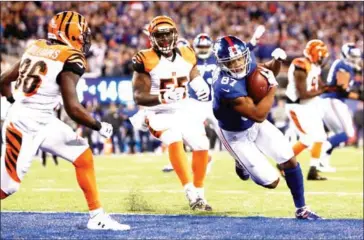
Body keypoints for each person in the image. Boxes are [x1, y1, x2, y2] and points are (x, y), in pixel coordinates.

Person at [0, 11, 130, 231]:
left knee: (82, 155)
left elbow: (3, 80)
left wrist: (15, 100)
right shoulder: (70, 57)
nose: (84, 40)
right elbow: (73, 108)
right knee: (7, 188)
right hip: (25, 125)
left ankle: (97, 216)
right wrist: (99, 126)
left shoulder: (37, 47)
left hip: (40, 119)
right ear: (68, 34)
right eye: (81, 35)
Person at [212, 35, 321, 220]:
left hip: (254, 125)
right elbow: (259, 114)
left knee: (289, 158)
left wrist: (276, 61)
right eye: (231, 62)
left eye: (240, 58)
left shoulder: (248, 60)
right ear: (222, 64)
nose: (238, 64)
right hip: (235, 134)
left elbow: (267, 71)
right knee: (271, 182)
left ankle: (301, 208)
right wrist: (272, 88)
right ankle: (240, 163)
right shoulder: (225, 87)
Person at [131, 16, 212, 211]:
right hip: (158, 112)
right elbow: (139, 96)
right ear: (152, 38)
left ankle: (200, 194)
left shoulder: (187, 53)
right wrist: (162, 97)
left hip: (184, 109)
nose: (165, 39)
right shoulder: (145, 58)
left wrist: (200, 85)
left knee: (202, 143)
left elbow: (193, 74)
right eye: (160, 36)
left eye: (168, 34)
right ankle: (190, 191)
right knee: (174, 137)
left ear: (175, 35)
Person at [285, 40, 329, 180]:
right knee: (307, 138)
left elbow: (321, 86)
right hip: (297, 106)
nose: (323, 59)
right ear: (316, 54)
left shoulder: (315, 66)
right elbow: (303, 94)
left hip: (310, 105)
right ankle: (283, 164)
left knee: (320, 136)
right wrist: (321, 91)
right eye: (322, 56)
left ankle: (313, 170)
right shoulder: (301, 65)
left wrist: (333, 87)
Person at [318, 43, 363, 171]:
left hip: (333, 101)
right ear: (345, 54)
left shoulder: (347, 66)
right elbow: (342, 88)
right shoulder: (343, 65)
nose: (355, 59)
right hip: (333, 100)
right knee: (349, 133)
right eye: (353, 56)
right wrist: (359, 95)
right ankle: (322, 150)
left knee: (340, 134)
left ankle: (323, 163)